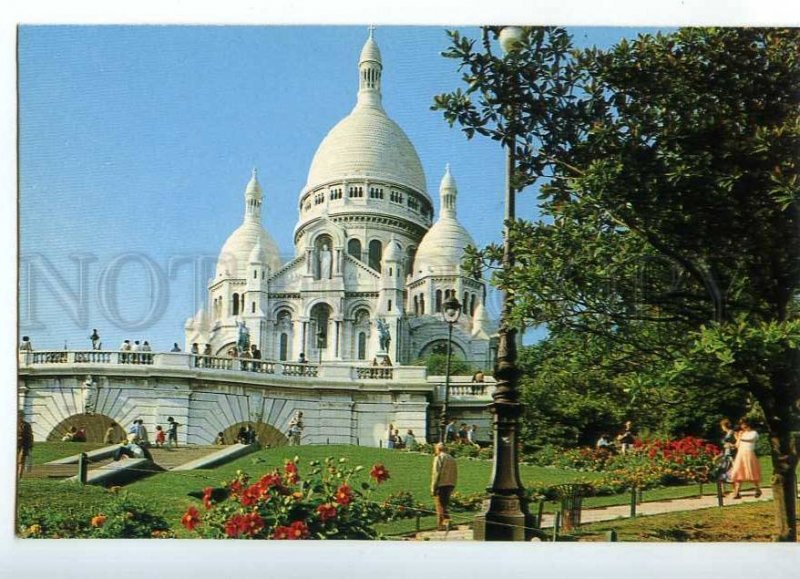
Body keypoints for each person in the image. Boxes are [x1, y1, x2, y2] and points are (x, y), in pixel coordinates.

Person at [729, 418, 762, 499]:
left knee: (751, 472)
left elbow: (750, 439)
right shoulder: (742, 433)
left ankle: (758, 489)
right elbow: (737, 445)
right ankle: (737, 492)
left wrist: (740, 437)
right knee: (738, 472)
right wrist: (736, 440)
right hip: (740, 454)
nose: (742, 426)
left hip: (749, 454)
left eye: (743, 424)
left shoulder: (754, 433)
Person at [430, 443, 458, 531]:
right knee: (444, 505)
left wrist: (433, 487)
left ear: (438, 449)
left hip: (441, 484)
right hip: (450, 484)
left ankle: (441, 525)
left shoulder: (438, 458)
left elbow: (436, 473)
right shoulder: (452, 459)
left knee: (439, 506)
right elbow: (455, 473)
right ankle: (448, 523)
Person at [17, 410, 33, 479]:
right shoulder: (11, 424)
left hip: (24, 445)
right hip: (14, 445)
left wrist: (30, 445)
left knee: (21, 460)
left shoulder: (26, 425)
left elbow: (30, 436)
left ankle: (19, 476)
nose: (19, 417)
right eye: (18, 415)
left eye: (21, 416)